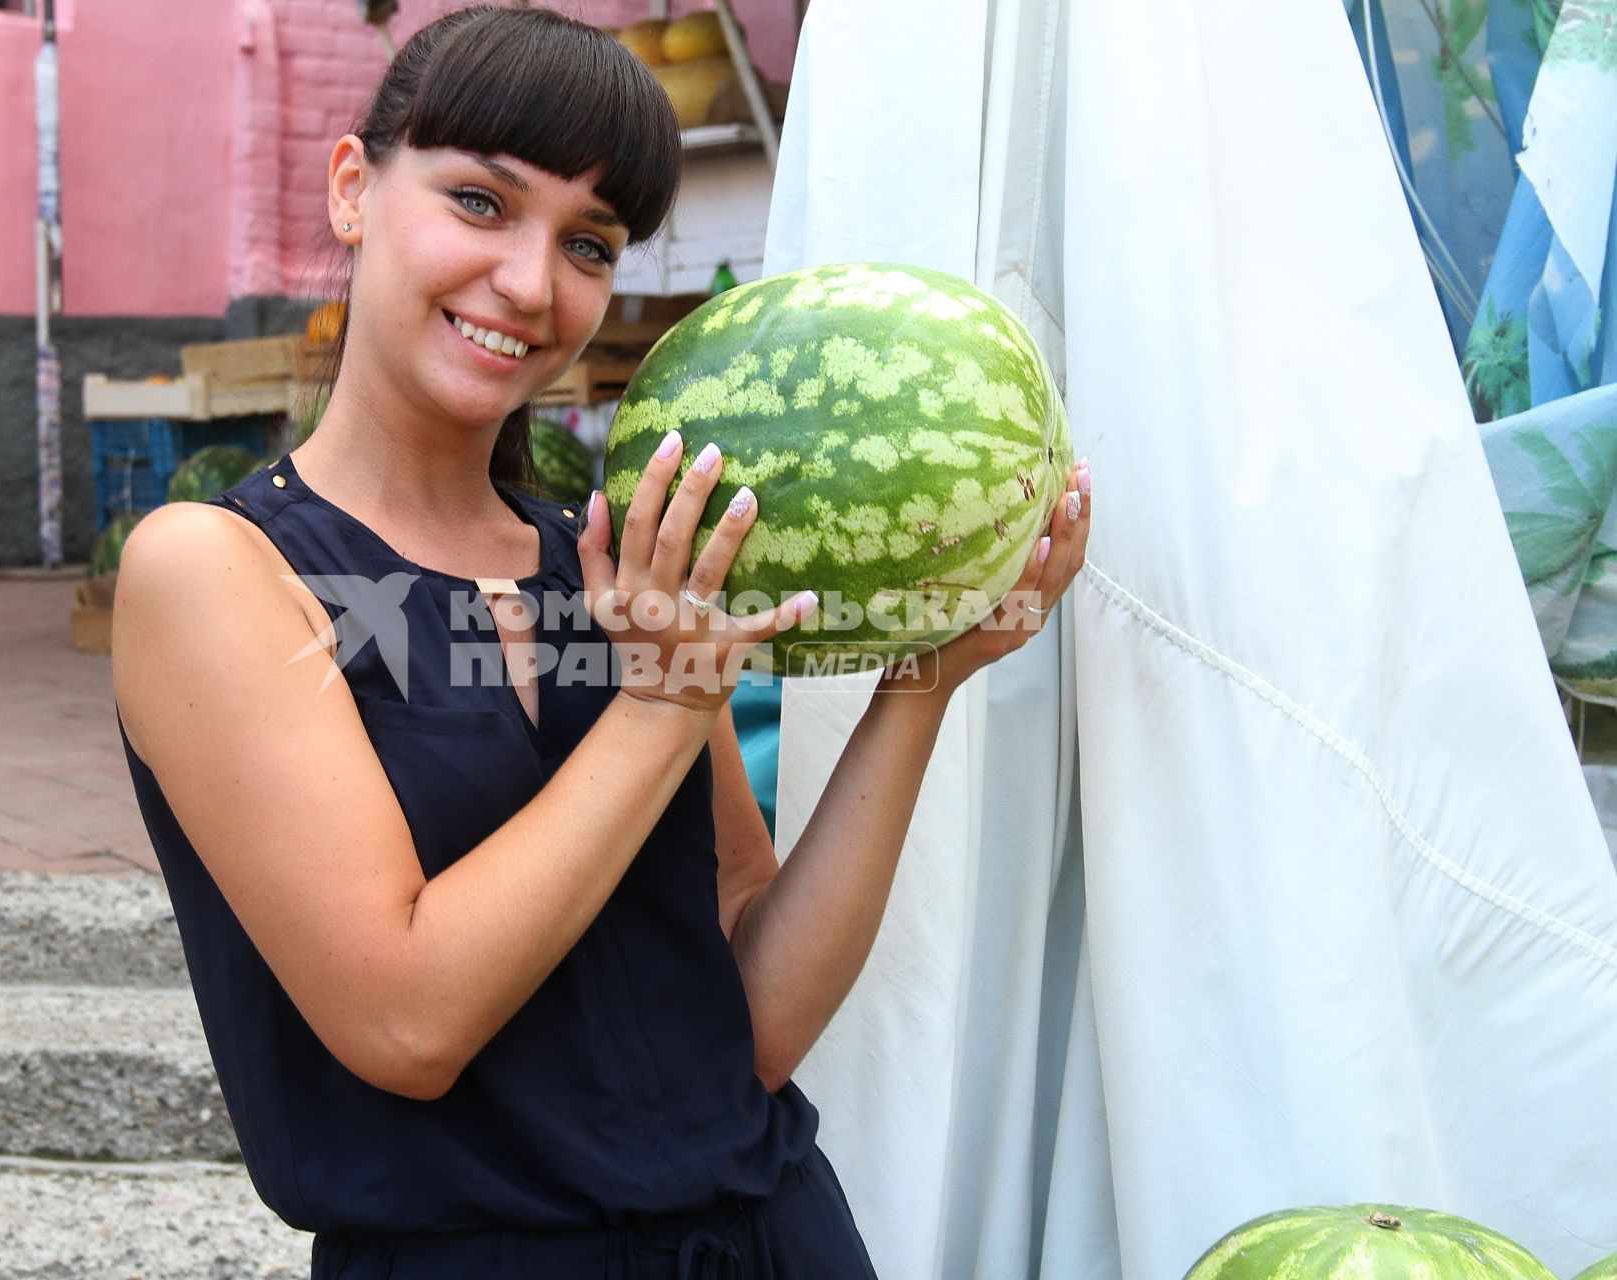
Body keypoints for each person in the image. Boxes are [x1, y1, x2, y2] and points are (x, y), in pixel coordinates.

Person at [110, 7, 1093, 1277]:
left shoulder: (618, 559)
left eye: (589, 242)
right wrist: (661, 701)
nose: (532, 283)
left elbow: (757, 1019)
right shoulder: (216, 569)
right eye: (479, 202)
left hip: (779, 1234)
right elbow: (404, 1018)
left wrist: (925, 679)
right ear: (355, 188)